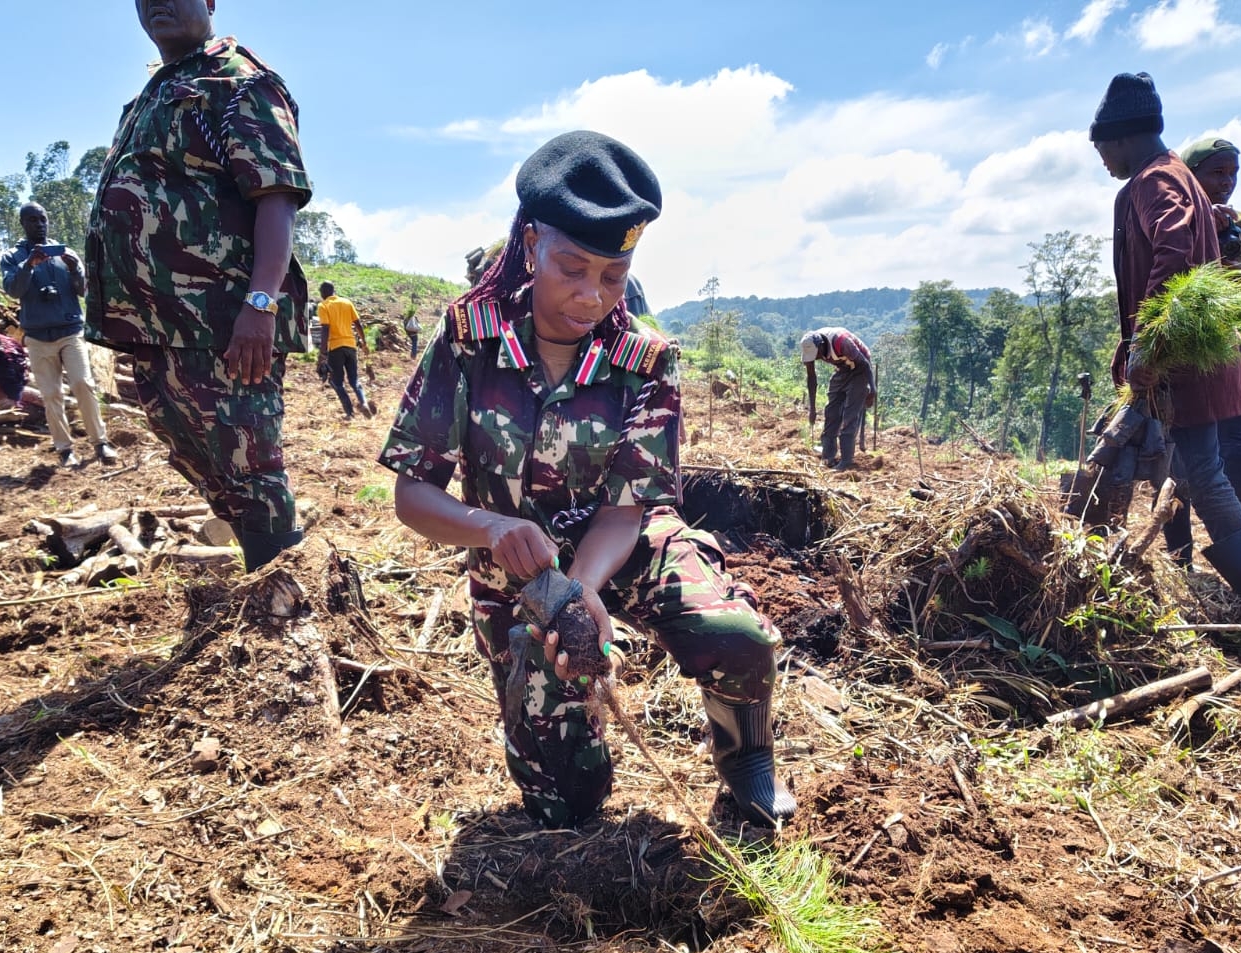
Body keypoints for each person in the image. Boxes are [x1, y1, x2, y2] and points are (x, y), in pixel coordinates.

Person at [381, 131, 793, 829]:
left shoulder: (645, 360)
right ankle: (566, 769)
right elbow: (411, 493)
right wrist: (491, 528)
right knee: (565, 803)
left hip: (622, 545)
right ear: (531, 242)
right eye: (572, 268)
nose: (591, 296)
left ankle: (747, 759)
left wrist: (587, 591)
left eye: (613, 274)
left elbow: (628, 509)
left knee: (735, 635)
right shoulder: (466, 341)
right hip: (520, 573)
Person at [86, 0, 312, 571]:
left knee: (250, 462)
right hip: (158, 325)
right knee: (189, 445)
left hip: (220, 323)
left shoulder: (237, 81)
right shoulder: (154, 93)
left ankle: (290, 605)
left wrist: (260, 303)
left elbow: (277, 196)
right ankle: (261, 577)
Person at [1090, 72, 1241, 620]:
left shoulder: (1155, 181)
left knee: (1199, 473)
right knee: (1189, 471)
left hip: (1180, 362)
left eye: (1101, 149)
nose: (1103, 161)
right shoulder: (1173, 175)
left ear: (1119, 138)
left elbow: (1176, 250)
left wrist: (1145, 342)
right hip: (1188, 361)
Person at [1161, 135, 1241, 567]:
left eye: (1233, 173)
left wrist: (1235, 270)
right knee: (1178, 464)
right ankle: (1180, 562)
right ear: (1191, 173)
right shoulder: (1173, 218)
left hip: (1225, 354)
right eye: (1217, 172)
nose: (1227, 182)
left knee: (1237, 455)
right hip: (1176, 358)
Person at [0, 203, 117, 468]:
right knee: (51, 393)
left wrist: (75, 269)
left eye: (43, 219)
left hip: (70, 331)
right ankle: (65, 450)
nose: (39, 224)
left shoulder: (65, 253)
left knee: (83, 384)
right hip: (38, 336)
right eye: (32, 220)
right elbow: (14, 290)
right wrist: (29, 264)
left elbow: (82, 290)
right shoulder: (12, 257)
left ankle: (100, 443)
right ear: (23, 223)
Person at [800, 327, 875, 469]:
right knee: (831, 413)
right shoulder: (810, 346)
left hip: (860, 369)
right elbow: (811, 378)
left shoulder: (842, 342)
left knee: (849, 417)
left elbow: (865, 364)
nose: (815, 358)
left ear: (821, 346)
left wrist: (872, 389)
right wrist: (812, 409)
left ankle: (846, 461)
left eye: (816, 355)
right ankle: (828, 457)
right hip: (842, 368)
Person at [316, 280, 374, 417]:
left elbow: (325, 328)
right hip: (350, 345)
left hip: (335, 347)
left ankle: (350, 413)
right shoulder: (347, 302)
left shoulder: (323, 305)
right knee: (354, 380)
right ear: (333, 291)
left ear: (323, 293)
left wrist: (323, 352)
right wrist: (364, 342)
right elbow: (358, 324)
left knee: (336, 382)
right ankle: (364, 403)